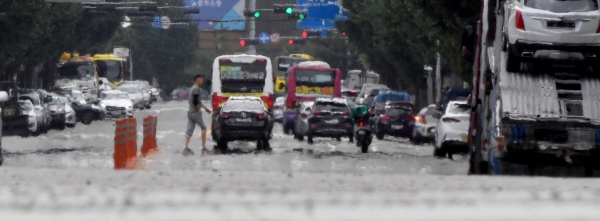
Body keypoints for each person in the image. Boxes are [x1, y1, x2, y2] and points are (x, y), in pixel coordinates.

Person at [183, 74, 212, 156]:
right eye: (201, 79)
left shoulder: (192, 88)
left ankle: (186, 147)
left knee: (189, 130)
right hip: (195, 112)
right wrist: (199, 109)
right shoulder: (196, 89)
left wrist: (205, 108)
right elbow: (196, 101)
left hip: (190, 112)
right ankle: (203, 147)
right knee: (204, 128)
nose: (202, 80)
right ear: (198, 80)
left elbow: (197, 101)